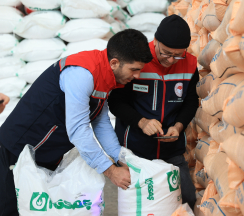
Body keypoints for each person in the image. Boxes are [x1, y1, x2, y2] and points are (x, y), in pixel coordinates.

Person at [0, 29, 153, 216]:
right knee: (11, 209)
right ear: (114, 63)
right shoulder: (82, 74)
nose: (137, 76)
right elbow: (79, 129)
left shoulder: (105, 77)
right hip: (14, 151)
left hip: (45, 154)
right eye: (134, 69)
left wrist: (120, 158)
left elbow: (100, 122)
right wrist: (110, 170)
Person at [108, 15, 199, 209]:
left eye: (178, 55)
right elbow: (115, 102)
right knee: (140, 205)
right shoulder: (137, 60)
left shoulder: (190, 65)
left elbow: (191, 101)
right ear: (155, 41)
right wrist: (141, 122)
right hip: (135, 150)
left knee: (187, 198)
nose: (171, 60)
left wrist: (178, 126)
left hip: (171, 150)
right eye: (166, 53)